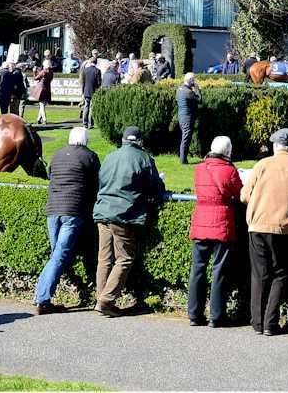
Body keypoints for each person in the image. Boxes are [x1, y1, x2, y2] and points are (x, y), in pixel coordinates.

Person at [241, 128, 288, 336]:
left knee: (259, 274)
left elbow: (244, 196)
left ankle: (257, 322)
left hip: (258, 225)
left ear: (275, 146)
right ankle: (269, 324)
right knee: (280, 274)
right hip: (287, 228)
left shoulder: (261, 165)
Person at [92, 126, 165, 318]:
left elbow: (101, 181)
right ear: (139, 141)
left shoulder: (109, 156)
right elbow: (156, 189)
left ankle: (102, 300)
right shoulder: (144, 159)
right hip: (123, 215)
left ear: (124, 140)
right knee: (124, 258)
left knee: (104, 259)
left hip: (102, 212)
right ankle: (105, 300)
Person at [36, 126, 100, 315]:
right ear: (86, 140)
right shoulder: (90, 157)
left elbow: (50, 176)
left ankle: (42, 295)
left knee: (56, 255)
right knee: (59, 256)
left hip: (52, 210)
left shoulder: (57, 155)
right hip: (73, 211)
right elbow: (97, 184)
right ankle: (42, 299)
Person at [188, 136, 244, 326]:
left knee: (198, 269)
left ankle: (194, 314)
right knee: (219, 270)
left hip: (201, 221)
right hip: (222, 223)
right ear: (228, 152)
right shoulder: (230, 170)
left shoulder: (199, 169)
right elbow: (239, 193)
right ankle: (216, 315)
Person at [176, 73, 200, 165]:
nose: (194, 82)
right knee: (185, 139)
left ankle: (183, 158)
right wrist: (197, 89)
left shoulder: (179, 89)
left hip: (181, 116)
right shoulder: (188, 92)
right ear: (190, 81)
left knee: (184, 138)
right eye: (193, 80)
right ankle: (183, 160)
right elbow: (199, 99)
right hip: (187, 118)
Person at [31, 59, 55, 124]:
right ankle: (38, 119)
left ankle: (44, 119)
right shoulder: (51, 72)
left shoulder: (43, 72)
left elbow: (35, 78)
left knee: (41, 105)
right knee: (42, 105)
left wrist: (34, 72)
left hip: (41, 90)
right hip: (47, 89)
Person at [80, 58, 101, 129]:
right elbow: (99, 83)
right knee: (91, 108)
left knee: (86, 107)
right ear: (96, 63)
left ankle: (84, 123)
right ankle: (91, 123)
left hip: (86, 91)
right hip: (94, 91)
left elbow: (83, 83)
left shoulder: (85, 70)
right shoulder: (97, 71)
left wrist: (83, 92)